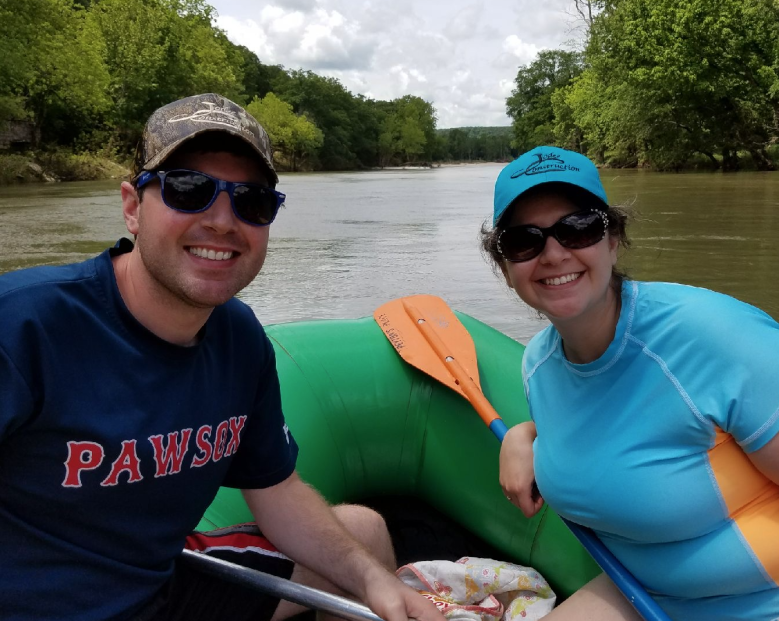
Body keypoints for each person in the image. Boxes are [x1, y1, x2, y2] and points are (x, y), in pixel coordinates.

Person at [0, 93, 445, 621]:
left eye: (251, 201)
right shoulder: (24, 325)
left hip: (161, 586)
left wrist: (374, 581)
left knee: (365, 536)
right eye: (189, 190)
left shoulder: (239, 336)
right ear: (131, 206)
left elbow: (275, 489)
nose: (222, 221)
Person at [481, 146, 779, 621]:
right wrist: (527, 435)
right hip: (644, 595)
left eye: (578, 227)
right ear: (506, 269)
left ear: (613, 240)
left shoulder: (717, 339)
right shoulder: (538, 366)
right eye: (524, 241)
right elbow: (615, 427)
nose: (553, 253)